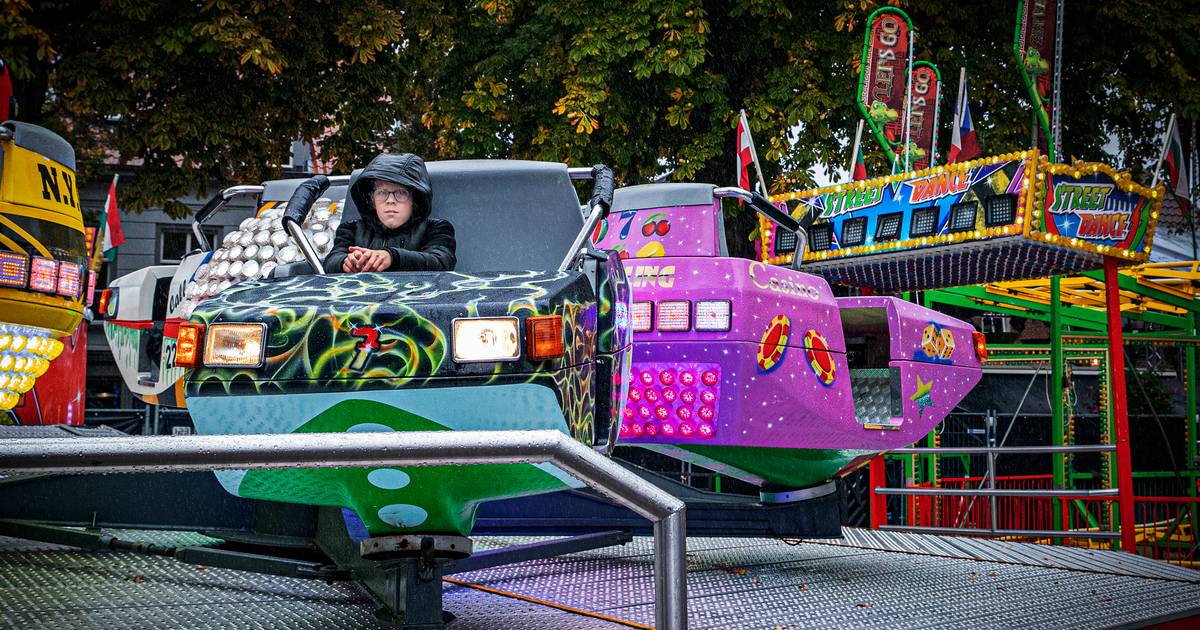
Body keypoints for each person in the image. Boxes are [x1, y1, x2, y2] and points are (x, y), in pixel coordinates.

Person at [324, 153, 456, 273]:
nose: (390, 200)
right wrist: (347, 262)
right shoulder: (352, 230)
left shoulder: (435, 229)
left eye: (401, 192)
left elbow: (441, 262)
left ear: (414, 199)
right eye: (382, 192)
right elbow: (331, 261)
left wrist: (392, 258)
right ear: (371, 199)